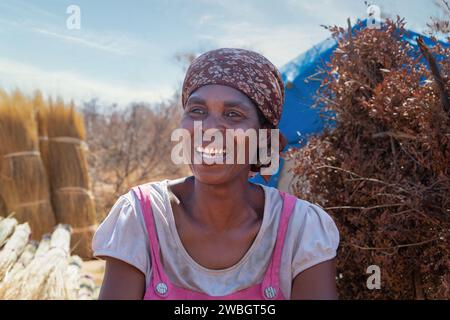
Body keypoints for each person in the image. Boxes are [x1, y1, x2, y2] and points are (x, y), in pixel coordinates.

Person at [93, 48, 340, 300]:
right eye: (197, 110)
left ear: (263, 137)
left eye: (233, 115)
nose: (208, 129)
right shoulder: (141, 217)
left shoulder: (301, 230)